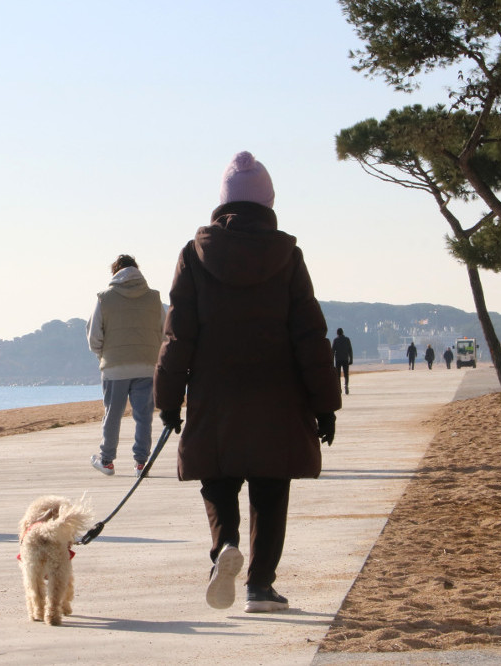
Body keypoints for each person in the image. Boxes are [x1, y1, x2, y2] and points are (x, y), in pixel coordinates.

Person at [154, 151, 341, 614]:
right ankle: (260, 586)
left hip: (215, 393)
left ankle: (224, 547)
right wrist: (325, 404)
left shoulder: (193, 255)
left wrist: (167, 399)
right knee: (271, 488)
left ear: (222, 202)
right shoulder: (288, 256)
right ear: (268, 201)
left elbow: (179, 334)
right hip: (278, 394)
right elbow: (309, 334)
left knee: (218, 481)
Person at [87, 255, 166, 478]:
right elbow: (165, 330)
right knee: (144, 416)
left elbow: (94, 335)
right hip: (146, 365)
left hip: (115, 367)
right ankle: (141, 464)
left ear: (114, 272)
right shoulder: (154, 298)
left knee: (113, 414)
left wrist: (102, 355)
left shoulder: (104, 298)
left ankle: (107, 461)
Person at [332, 328, 353, 395]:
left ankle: (339, 388)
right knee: (346, 374)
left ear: (337, 333)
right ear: (343, 332)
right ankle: (346, 385)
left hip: (338, 360)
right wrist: (351, 359)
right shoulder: (347, 339)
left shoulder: (335, 340)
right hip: (345, 359)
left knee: (338, 375)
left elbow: (332, 351)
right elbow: (350, 350)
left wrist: (331, 361)